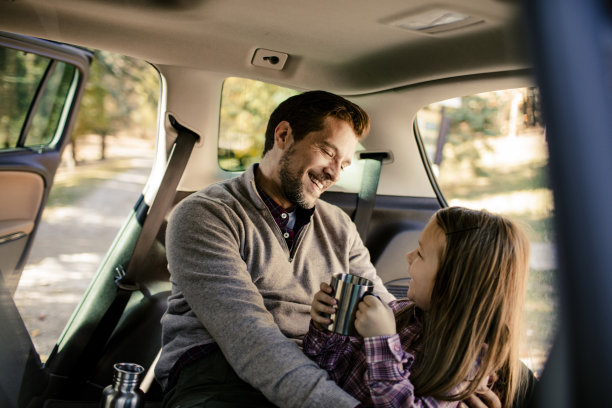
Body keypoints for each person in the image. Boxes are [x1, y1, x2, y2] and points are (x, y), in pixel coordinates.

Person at [155, 90, 396, 408]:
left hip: (321, 369)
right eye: (327, 151)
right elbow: (248, 337)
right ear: (283, 135)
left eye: (345, 163)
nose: (335, 173)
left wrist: (466, 376)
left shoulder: (339, 226)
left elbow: (387, 305)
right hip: (219, 374)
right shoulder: (205, 214)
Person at [305, 206, 531, 408]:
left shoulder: (466, 362)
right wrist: (326, 328)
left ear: (452, 282)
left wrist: (382, 341)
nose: (408, 256)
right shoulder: (400, 312)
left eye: (420, 253)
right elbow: (330, 370)